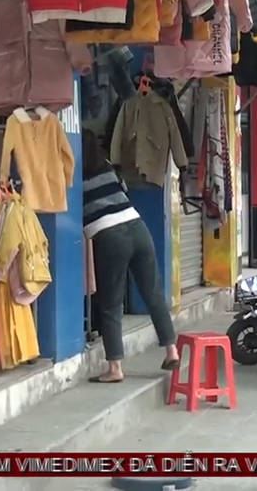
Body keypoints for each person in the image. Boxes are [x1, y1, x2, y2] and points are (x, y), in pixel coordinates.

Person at [82, 130, 179, 383]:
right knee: (153, 293)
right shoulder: (106, 167)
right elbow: (124, 190)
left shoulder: (74, 174)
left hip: (109, 235)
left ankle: (115, 368)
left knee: (111, 303)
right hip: (137, 227)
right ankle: (172, 351)